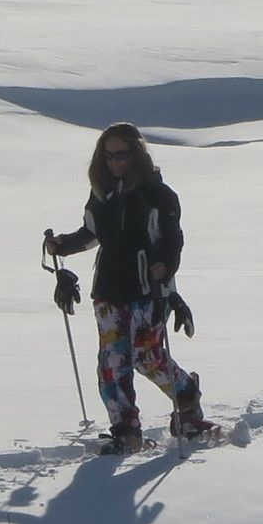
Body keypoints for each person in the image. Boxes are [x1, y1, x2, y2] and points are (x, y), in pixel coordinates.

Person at [44, 122, 208, 452]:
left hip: (146, 288)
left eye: (122, 154)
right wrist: (63, 245)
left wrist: (165, 264)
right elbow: (92, 233)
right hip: (108, 288)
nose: (115, 162)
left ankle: (187, 399)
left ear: (137, 154)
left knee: (148, 358)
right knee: (111, 363)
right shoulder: (102, 193)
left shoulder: (158, 195)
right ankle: (125, 429)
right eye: (108, 156)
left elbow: (173, 240)